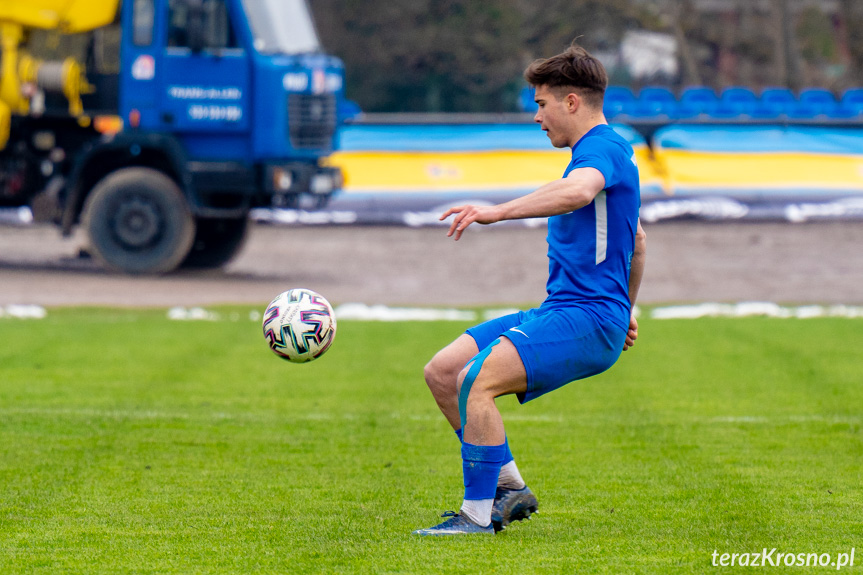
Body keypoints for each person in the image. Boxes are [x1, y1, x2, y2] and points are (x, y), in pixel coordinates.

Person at [412, 41, 647, 536]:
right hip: (570, 308)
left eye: (541, 105)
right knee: (444, 371)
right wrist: (628, 306)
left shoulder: (602, 150)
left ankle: (475, 517)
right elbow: (638, 241)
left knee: (476, 380)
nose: (537, 117)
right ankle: (509, 488)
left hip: (586, 316)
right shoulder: (591, 156)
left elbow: (578, 192)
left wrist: (495, 212)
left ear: (571, 102)